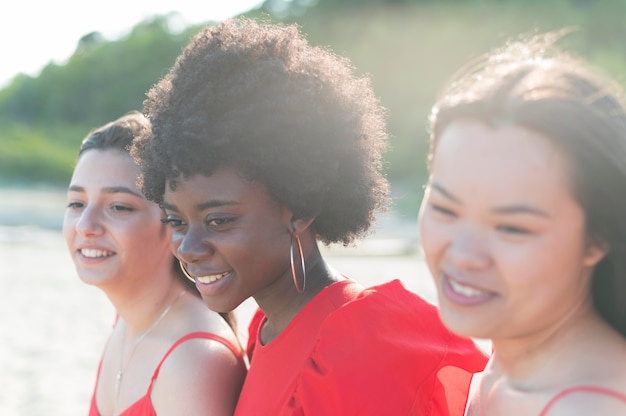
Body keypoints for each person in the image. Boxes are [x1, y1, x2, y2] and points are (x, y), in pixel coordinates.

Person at [131, 17, 488, 416]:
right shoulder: (264, 329)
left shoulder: (362, 340)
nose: (189, 249)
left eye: (218, 221)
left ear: (299, 208)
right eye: (177, 222)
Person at [419, 30, 626, 415]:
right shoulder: (506, 360)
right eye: (445, 209)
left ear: (597, 237)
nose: (464, 255)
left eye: (511, 228)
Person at [63, 111, 246, 416]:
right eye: (77, 203)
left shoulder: (193, 361)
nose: (85, 225)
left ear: (174, 223)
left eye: (119, 207)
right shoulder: (127, 322)